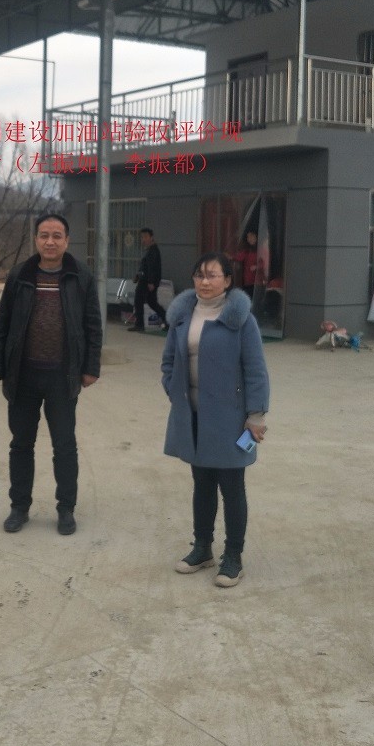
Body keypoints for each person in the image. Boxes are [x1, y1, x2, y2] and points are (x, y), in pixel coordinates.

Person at [0, 213, 102, 536]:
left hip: (62, 377)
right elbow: (2, 323)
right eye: (44, 235)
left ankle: (66, 509)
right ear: (36, 239)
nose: (50, 242)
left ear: (67, 240)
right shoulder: (20, 275)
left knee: (64, 446)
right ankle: (19, 507)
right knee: (21, 444)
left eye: (56, 236)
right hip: (23, 375)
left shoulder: (81, 276)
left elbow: (93, 326)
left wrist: (90, 367)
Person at [160, 252, 269, 587]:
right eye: (199, 275)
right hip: (191, 415)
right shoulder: (182, 315)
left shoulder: (241, 320)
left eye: (212, 275)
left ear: (228, 280)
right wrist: (174, 390)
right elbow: (168, 361)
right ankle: (202, 547)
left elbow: (255, 369)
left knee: (232, 487)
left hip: (229, 418)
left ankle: (233, 556)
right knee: (202, 483)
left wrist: (255, 415)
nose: (204, 282)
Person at [127, 227, 167, 332]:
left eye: (145, 237)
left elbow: (152, 267)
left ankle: (139, 324)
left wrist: (151, 282)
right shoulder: (150, 250)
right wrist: (138, 276)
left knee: (138, 301)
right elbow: (145, 267)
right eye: (141, 237)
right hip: (147, 280)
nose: (143, 239)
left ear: (151, 237)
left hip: (147, 281)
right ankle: (168, 321)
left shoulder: (153, 251)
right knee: (152, 302)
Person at [233, 229, 266, 300]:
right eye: (248, 237)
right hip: (247, 282)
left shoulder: (262, 250)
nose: (249, 239)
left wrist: (256, 267)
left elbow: (266, 263)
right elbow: (238, 257)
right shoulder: (247, 250)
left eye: (252, 236)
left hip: (258, 283)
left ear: (257, 237)